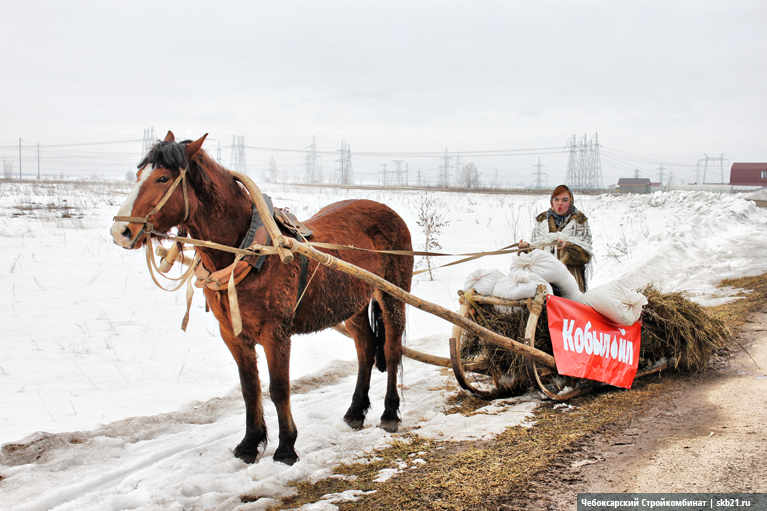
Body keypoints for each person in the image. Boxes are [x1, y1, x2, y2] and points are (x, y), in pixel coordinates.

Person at [518, 184, 593, 292]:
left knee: (569, 308)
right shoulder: (543, 221)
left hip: (570, 279)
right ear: (551, 201)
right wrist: (525, 248)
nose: (560, 203)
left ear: (571, 201)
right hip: (545, 279)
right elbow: (536, 249)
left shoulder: (579, 222)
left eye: (565, 200)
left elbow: (586, 255)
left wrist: (568, 247)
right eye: (556, 199)